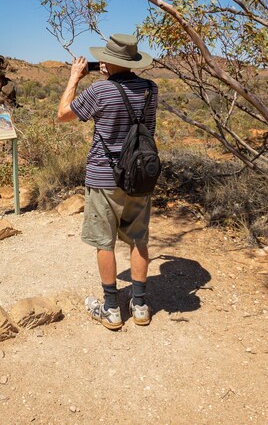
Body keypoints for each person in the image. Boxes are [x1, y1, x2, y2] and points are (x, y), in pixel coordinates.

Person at [56, 33, 158, 330]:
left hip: (104, 177)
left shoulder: (101, 90)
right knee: (138, 239)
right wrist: (113, 74)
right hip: (140, 176)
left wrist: (75, 77)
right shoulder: (151, 89)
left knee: (104, 242)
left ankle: (112, 308)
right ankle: (140, 306)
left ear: (109, 61)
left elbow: (63, 115)